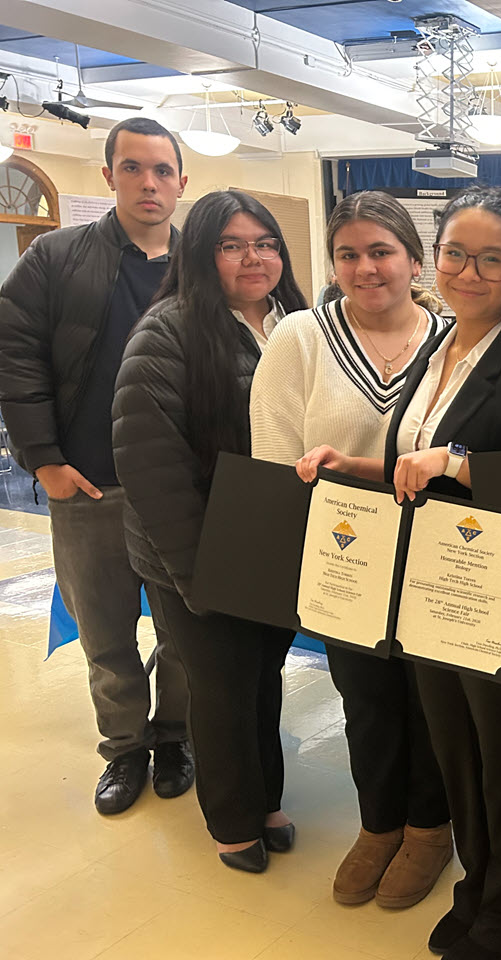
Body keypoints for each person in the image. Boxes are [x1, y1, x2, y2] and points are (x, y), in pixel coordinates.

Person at [315, 187, 501, 960]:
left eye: (492, 259)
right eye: (456, 253)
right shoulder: (437, 351)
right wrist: (354, 464)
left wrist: (458, 462)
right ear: (436, 259)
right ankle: (479, 885)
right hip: (429, 587)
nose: (469, 272)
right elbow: (414, 461)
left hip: (497, 598)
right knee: (456, 753)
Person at [251, 190, 454, 908]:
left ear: (414, 260)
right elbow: (274, 453)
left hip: (437, 557)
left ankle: (430, 826)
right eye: (348, 254)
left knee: (431, 700)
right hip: (341, 554)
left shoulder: (454, 338)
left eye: (381, 251)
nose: (366, 268)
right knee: (365, 700)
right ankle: (379, 824)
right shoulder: (301, 336)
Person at [0, 117, 193, 815]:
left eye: (162, 170)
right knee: (106, 636)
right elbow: (14, 356)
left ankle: (175, 737)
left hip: (180, 492)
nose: (148, 182)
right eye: (133, 168)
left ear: (181, 182)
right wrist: (44, 461)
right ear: (109, 175)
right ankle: (125, 749)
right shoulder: (56, 257)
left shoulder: (201, 263)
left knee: (184, 635)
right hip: (88, 486)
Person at [112, 190, 308, 871]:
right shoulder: (167, 332)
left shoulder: (298, 323)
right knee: (220, 687)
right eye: (232, 245)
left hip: (271, 543)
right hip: (193, 550)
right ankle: (232, 822)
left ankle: (267, 800)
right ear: (201, 253)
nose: (254, 258)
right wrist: (199, 572)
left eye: (265, 243)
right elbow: (151, 466)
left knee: (263, 676)